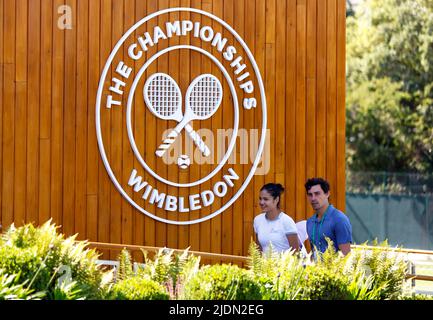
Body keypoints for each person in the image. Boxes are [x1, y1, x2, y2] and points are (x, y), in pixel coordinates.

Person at [305, 178, 352, 257]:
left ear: (327, 194)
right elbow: (314, 254)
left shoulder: (339, 220)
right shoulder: (310, 222)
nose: (313, 198)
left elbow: (346, 257)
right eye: (310, 195)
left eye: (317, 193)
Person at [253, 183, 300, 254]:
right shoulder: (258, 220)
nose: (261, 202)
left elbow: (296, 253)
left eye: (266, 199)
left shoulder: (287, 221)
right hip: (265, 265)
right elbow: (258, 251)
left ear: (276, 200)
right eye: (260, 199)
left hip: (284, 265)